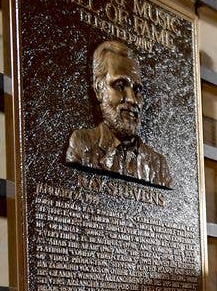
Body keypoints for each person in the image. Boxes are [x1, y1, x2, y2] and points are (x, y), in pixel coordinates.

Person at [66, 40, 172, 188]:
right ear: (98, 89)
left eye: (137, 90)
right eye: (120, 85)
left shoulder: (158, 165)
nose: (132, 99)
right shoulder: (82, 144)